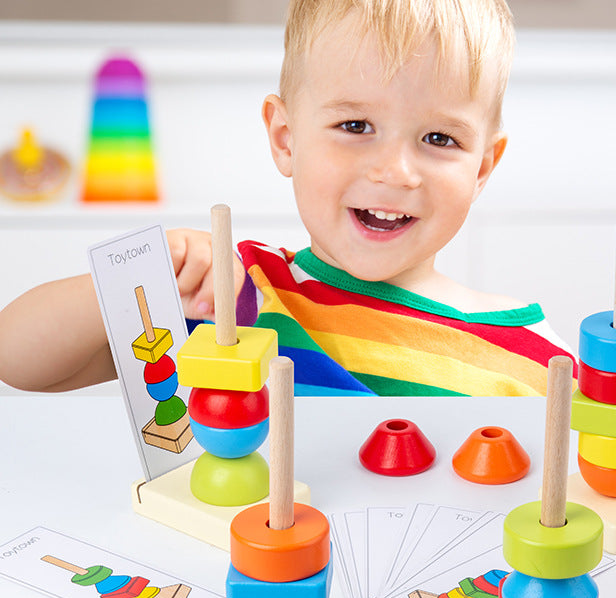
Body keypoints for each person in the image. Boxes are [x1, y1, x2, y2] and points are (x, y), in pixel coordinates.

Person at [0, 0, 574, 396]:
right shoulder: (233, 297)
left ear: (482, 168)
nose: (396, 171)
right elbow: (17, 360)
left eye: (439, 139)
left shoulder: (537, 358)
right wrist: (148, 274)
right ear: (285, 139)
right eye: (355, 125)